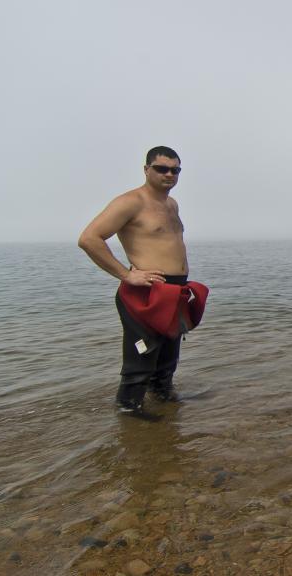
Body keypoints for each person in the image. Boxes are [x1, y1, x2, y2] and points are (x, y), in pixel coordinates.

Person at [78, 146, 207, 418]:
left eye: (175, 170)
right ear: (146, 169)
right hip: (146, 292)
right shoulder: (130, 202)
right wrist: (127, 274)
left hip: (173, 291)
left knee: (168, 354)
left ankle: (164, 397)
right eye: (162, 168)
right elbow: (89, 239)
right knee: (142, 356)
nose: (169, 174)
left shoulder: (172, 204)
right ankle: (128, 408)